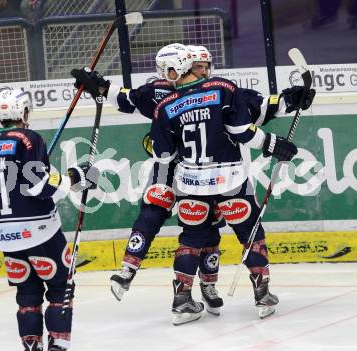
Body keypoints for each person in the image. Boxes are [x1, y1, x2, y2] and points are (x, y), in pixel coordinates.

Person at [71, 43, 312, 317]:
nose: (203, 69)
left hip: (188, 175)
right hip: (218, 174)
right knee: (210, 225)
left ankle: (196, 291)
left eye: (205, 65)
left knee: (198, 231)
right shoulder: (220, 88)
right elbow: (248, 117)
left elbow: (156, 136)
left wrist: (289, 99)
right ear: (187, 65)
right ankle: (135, 272)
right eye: (198, 65)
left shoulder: (165, 102)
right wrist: (100, 86)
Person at [150, 43, 314, 324]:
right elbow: (241, 130)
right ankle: (262, 294)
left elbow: (164, 154)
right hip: (230, 179)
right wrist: (274, 144)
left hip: (192, 183)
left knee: (190, 239)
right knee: (250, 233)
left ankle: (182, 300)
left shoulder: (165, 106)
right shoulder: (221, 88)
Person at [0, 88, 97, 351]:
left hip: (2, 234)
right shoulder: (29, 138)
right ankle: (58, 345)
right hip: (39, 231)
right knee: (60, 286)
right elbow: (40, 186)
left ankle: (31, 345)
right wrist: (74, 178)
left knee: (27, 294)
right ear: (23, 111)